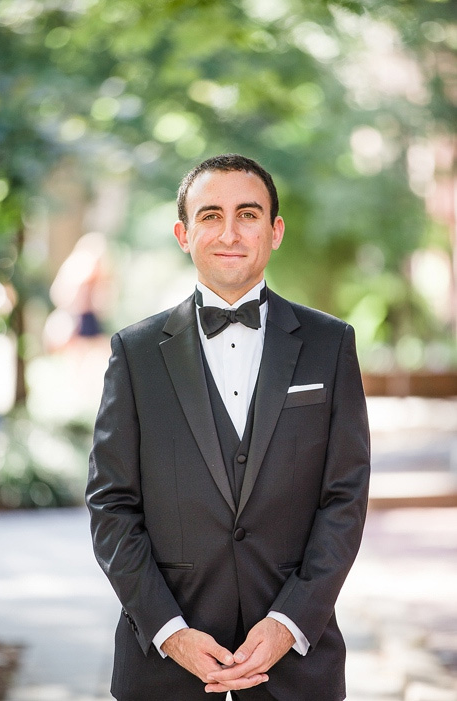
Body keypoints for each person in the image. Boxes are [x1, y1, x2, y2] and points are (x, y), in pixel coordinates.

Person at [86, 154, 370, 701]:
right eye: (210, 215)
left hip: (297, 669)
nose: (230, 232)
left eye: (248, 213)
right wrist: (170, 633)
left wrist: (290, 621)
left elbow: (345, 499)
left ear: (275, 230)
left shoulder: (331, 345)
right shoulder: (135, 352)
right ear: (183, 234)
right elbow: (112, 504)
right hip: (165, 668)